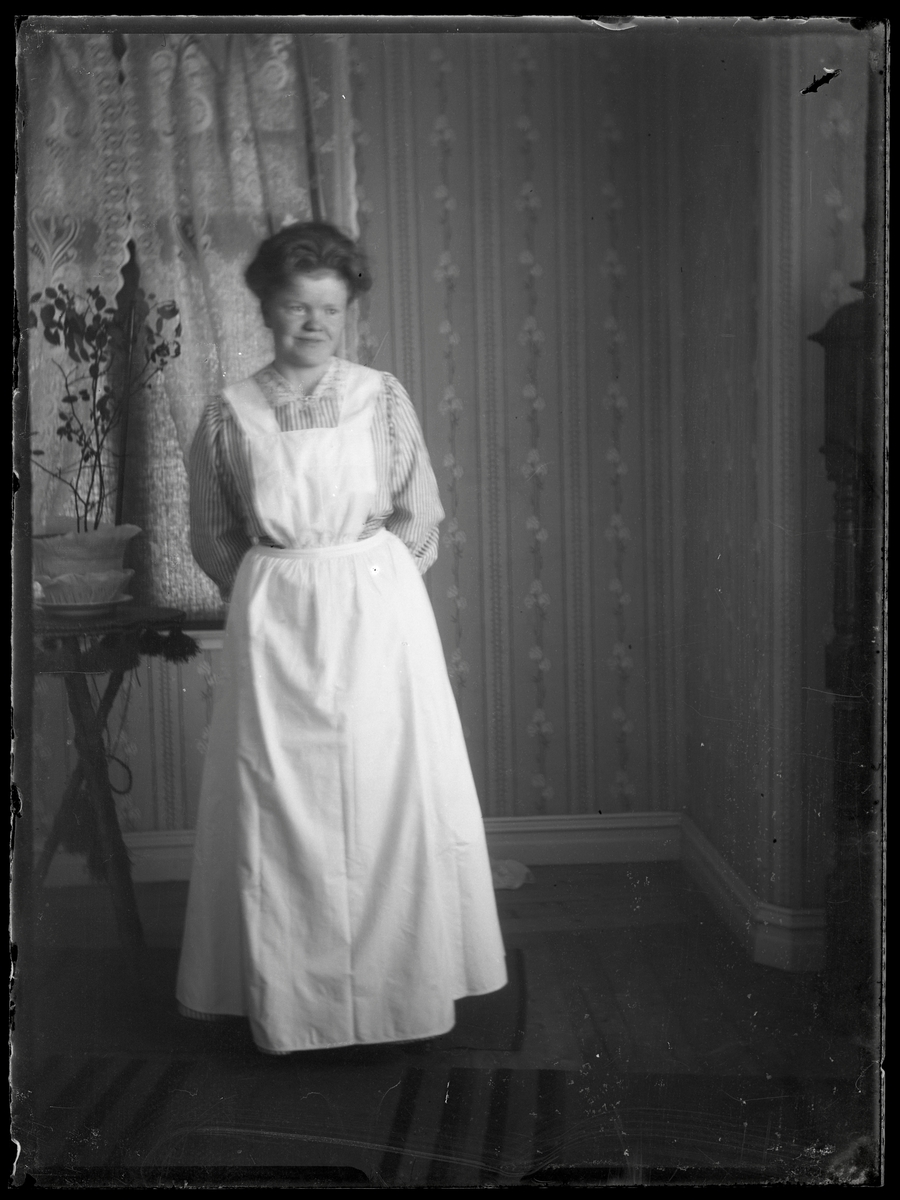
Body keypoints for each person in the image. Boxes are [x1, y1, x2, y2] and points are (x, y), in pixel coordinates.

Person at [175, 221, 508, 1055]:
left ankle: (402, 996)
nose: (314, 323)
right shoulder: (228, 413)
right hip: (276, 619)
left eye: (329, 308)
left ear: (348, 308)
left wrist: (374, 590)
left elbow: (419, 514)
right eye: (297, 306)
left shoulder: (380, 397)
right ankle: (292, 1005)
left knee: (386, 791)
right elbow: (213, 536)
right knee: (280, 803)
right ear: (266, 308)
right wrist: (276, 590)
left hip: (375, 614)